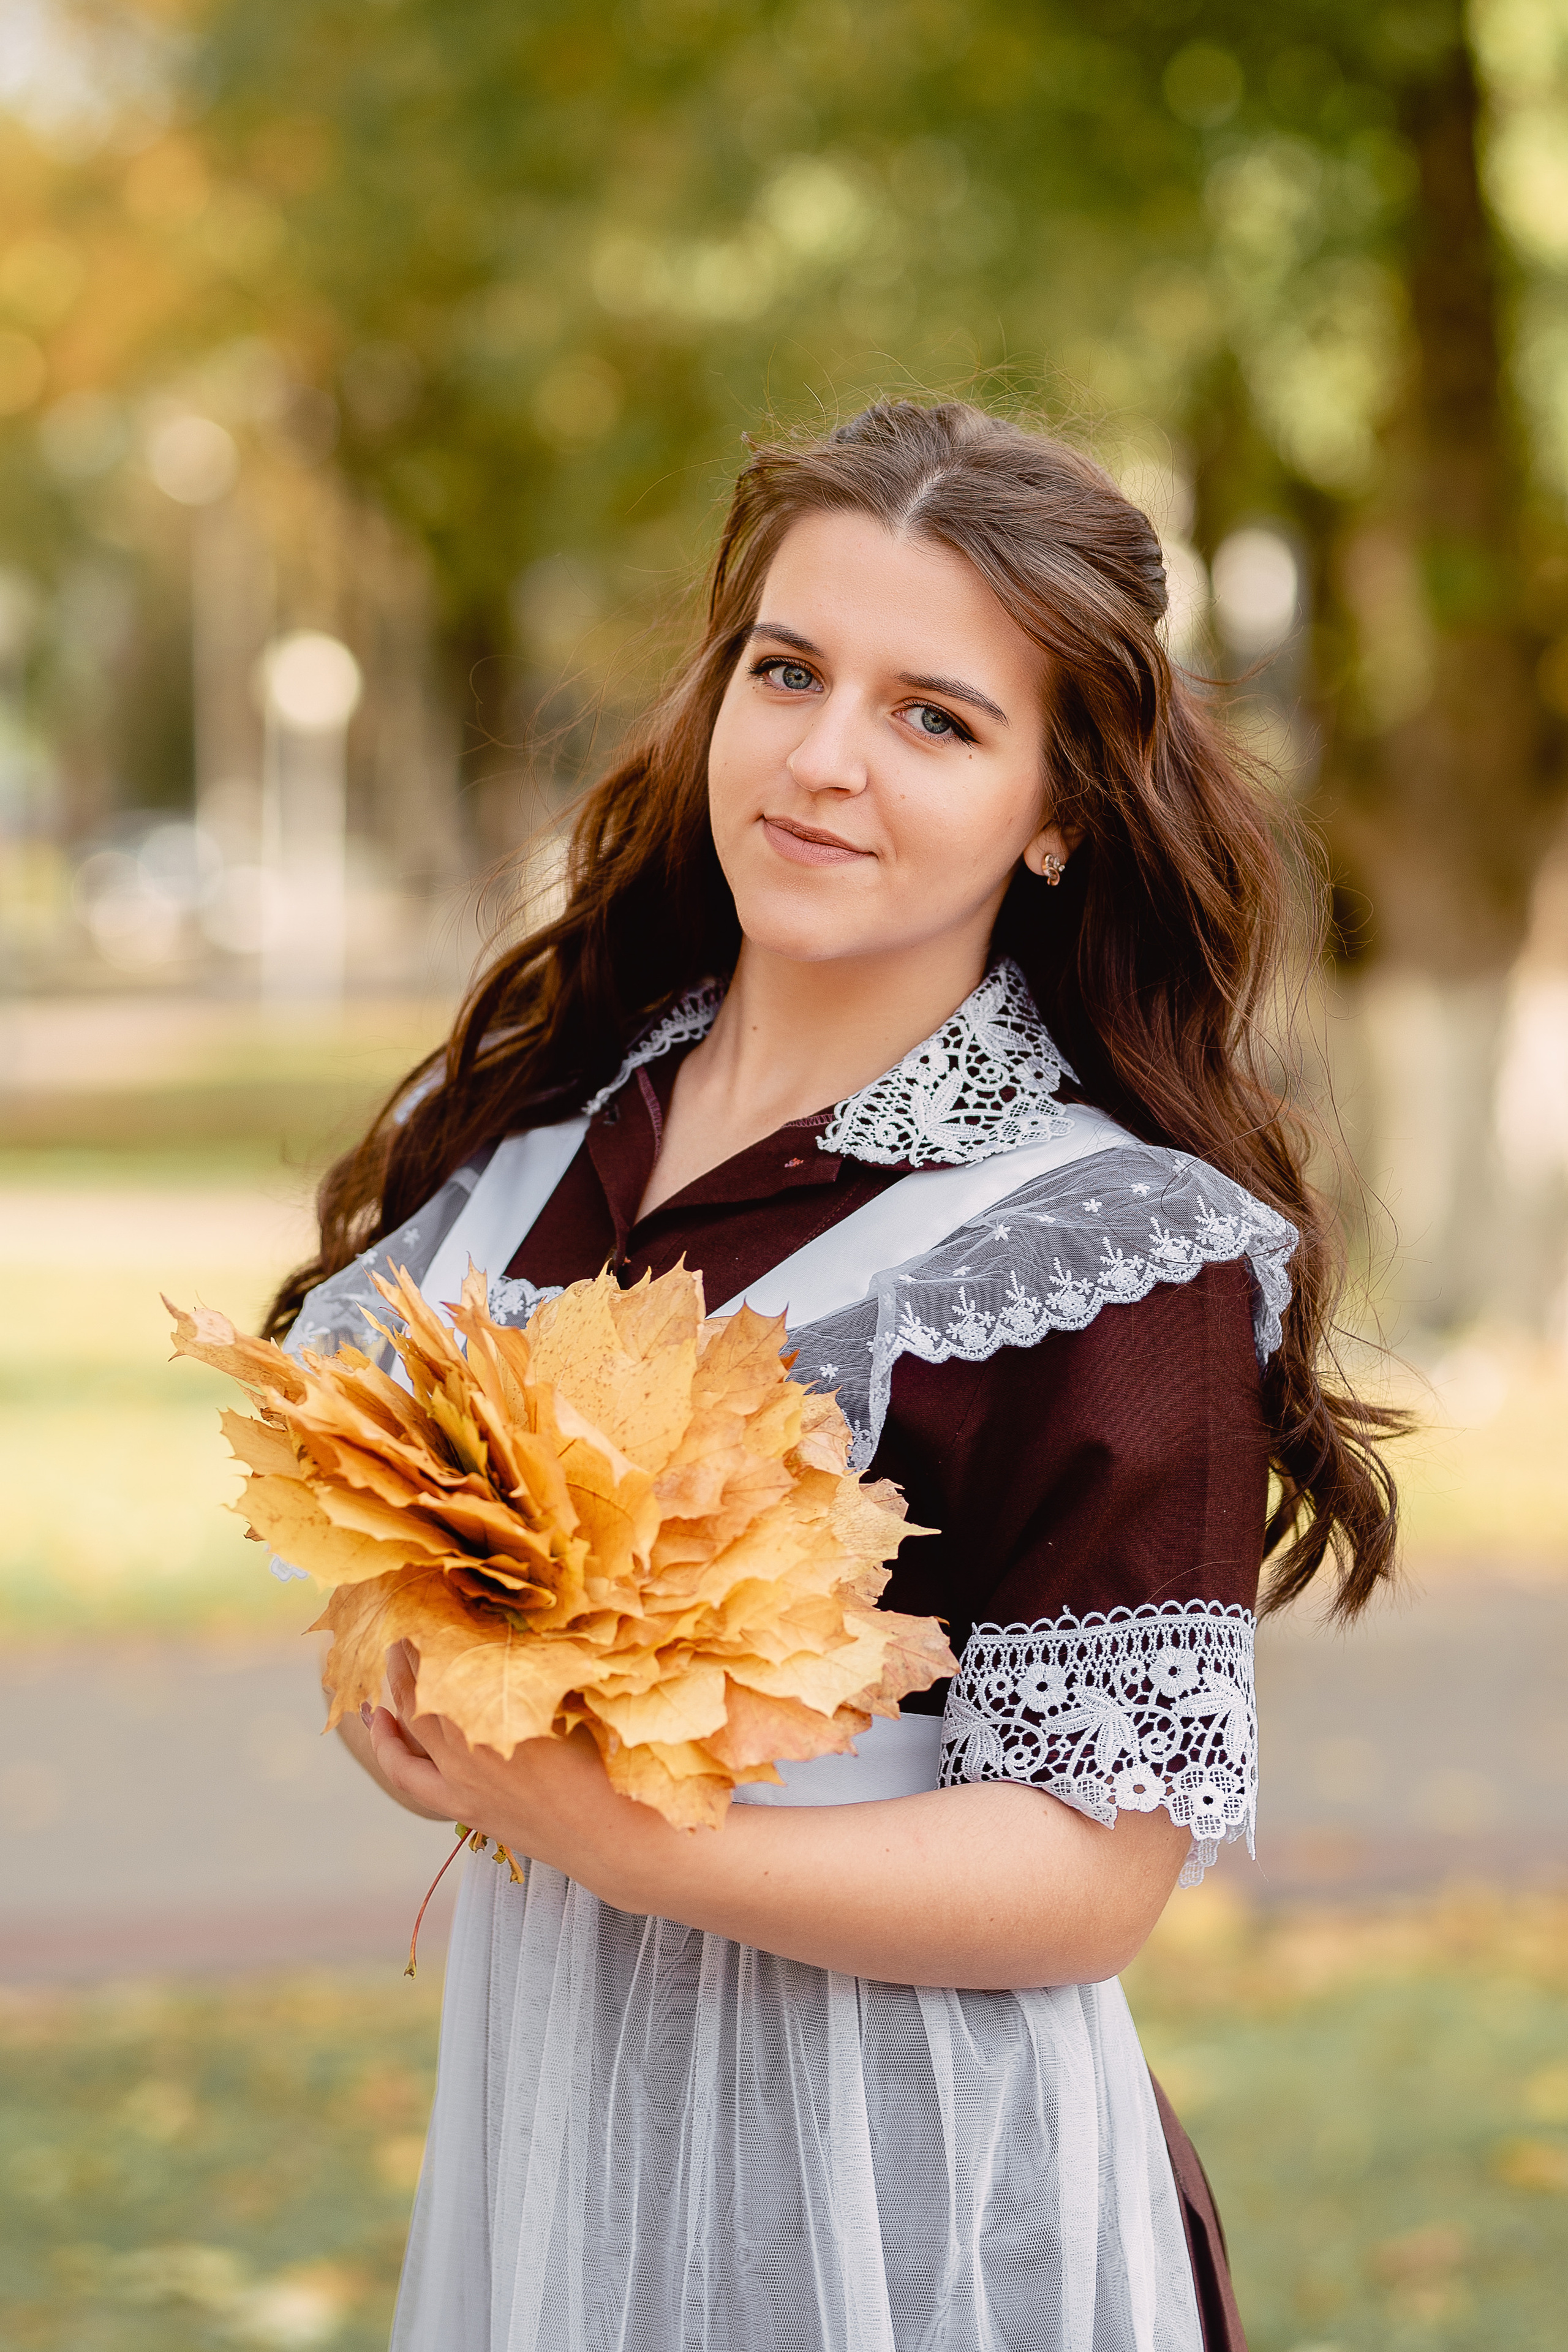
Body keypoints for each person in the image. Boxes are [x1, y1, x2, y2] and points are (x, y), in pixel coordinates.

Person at [268, 400, 1401, 2352]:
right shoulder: (543, 1127)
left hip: (917, 2206)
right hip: (559, 2138)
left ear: (1060, 810)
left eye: (934, 717)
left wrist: (614, 1834)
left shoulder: (1098, 1247)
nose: (820, 760)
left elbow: (1088, 1879)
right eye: (789, 671)